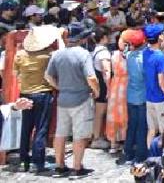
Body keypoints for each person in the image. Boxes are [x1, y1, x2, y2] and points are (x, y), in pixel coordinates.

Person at [45, 22, 100, 178]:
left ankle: (59, 166)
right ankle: (77, 167)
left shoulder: (57, 54)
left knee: (60, 133)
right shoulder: (83, 54)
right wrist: (96, 91)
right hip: (81, 98)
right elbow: (91, 77)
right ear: (82, 38)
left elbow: (48, 76)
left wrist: (60, 87)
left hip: (63, 99)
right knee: (79, 135)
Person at [15, 25, 59, 173]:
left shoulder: (20, 55)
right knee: (41, 128)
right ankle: (38, 162)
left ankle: (23, 161)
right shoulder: (47, 56)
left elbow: (17, 74)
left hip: (25, 94)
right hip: (43, 93)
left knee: (25, 128)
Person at [142, 23, 164, 146]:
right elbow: (162, 81)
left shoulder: (145, 52)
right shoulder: (160, 57)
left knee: (151, 130)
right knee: (163, 130)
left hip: (149, 97)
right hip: (161, 98)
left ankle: (151, 156)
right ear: (159, 37)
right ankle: (163, 156)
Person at [122, 27, 149, 165]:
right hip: (143, 95)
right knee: (142, 126)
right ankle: (140, 154)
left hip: (131, 94)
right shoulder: (144, 57)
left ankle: (128, 151)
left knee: (132, 124)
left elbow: (125, 51)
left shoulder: (129, 56)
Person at [106, 28, 132, 154]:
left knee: (113, 113)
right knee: (124, 114)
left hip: (115, 84)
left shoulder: (113, 55)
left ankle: (113, 143)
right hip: (126, 85)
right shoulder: (129, 56)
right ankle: (125, 142)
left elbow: (108, 72)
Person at [89, 26, 112, 150]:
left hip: (99, 85)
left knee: (99, 113)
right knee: (100, 113)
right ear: (103, 37)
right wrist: (109, 88)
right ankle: (97, 138)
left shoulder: (94, 51)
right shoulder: (103, 52)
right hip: (103, 86)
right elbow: (106, 71)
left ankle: (98, 136)